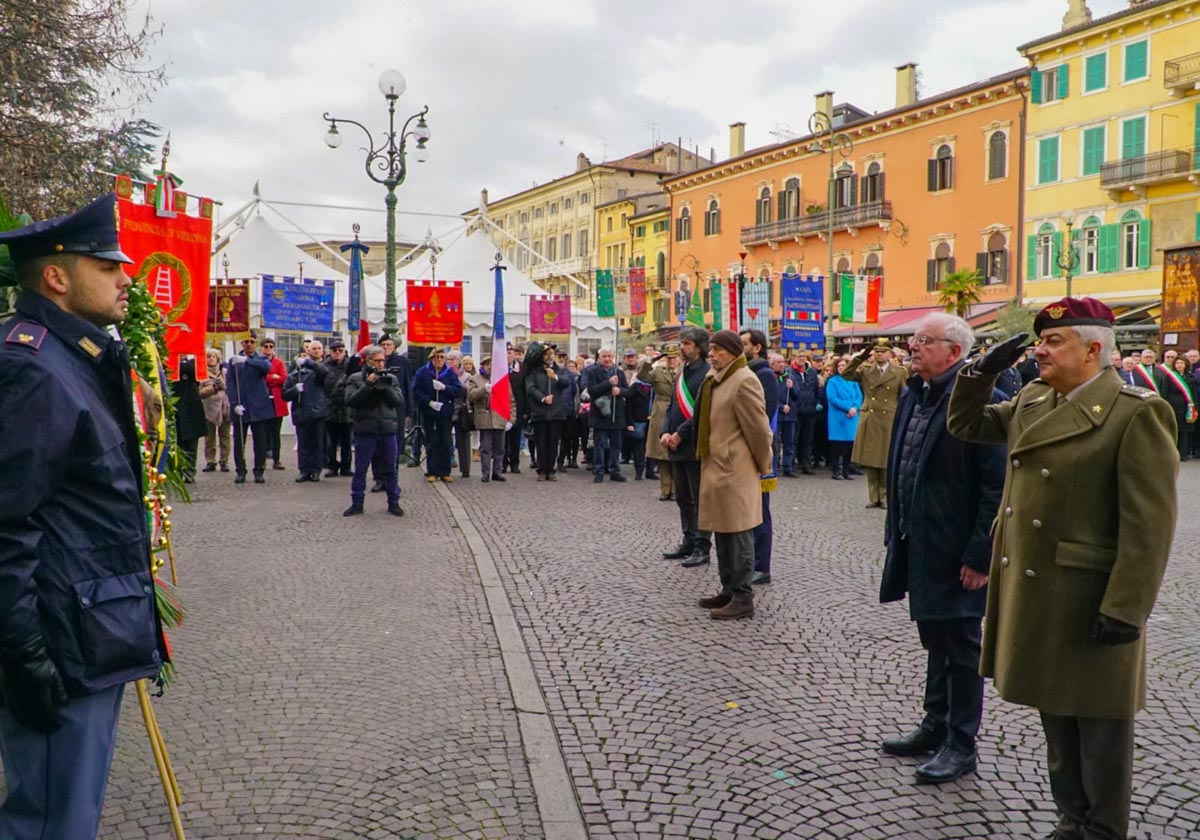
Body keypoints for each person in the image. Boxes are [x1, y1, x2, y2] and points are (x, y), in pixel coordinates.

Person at [948, 297, 1177, 840]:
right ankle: (1071, 820)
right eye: (1040, 341)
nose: (1041, 351)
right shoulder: (1033, 399)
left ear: (1093, 349)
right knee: (1055, 712)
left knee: (1099, 728)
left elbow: (1148, 526)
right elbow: (966, 423)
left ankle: (1103, 828)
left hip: (1090, 596)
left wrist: (1126, 608)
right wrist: (980, 373)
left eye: (1054, 341)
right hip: (1038, 590)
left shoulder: (1134, 412)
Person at [0, 193, 165, 838]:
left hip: (86, 627)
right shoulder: (33, 368)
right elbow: (7, 525)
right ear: (57, 277)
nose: (126, 279)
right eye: (107, 265)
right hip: (60, 639)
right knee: (51, 824)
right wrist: (25, 653)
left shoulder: (72, 357)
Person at [878, 314, 1006, 785]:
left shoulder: (984, 402)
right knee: (935, 637)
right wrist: (896, 530)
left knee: (962, 647)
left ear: (954, 352)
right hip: (920, 540)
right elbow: (902, 465)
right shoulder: (915, 393)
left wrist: (980, 556)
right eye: (913, 339)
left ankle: (961, 743)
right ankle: (935, 723)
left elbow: (997, 488)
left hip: (958, 549)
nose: (912, 346)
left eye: (924, 341)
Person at [694, 331, 774, 620]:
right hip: (718, 466)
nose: (711, 354)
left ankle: (743, 596)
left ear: (732, 352)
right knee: (722, 530)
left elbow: (759, 430)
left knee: (738, 533)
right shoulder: (717, 378)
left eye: (717, 349)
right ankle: (728, 589)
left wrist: (763, 466)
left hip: (736, 468)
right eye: (711, 349)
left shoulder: (744, 380)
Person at [660, 328, 713, 567]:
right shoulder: (682, 372)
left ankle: (702, 547)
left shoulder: (706, 374)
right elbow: (671, 407)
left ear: (699, 348)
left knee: (699, 499)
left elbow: (702, 412)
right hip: (675, 445)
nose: (682, 348)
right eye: (682, 343)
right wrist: (664, 432)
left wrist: (680, 434)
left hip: (694, 445)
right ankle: (688, 541)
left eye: (687, 344)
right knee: (683, 497)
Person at [842, 338, 907, 508]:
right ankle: (873, 496)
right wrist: (863, 355)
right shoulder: (865, 369)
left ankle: (884, 496)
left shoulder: (899, 372)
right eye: (876, 351)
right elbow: (846, 374)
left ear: (890, 354)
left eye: (883, 351)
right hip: (870, 417)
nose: (879, 354)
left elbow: (904, 395)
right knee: (870, 458)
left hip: (888, 418)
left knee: (885, 459)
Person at [342, 344, 404, 516]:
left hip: (387, 429)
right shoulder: (355, 378)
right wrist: (368, 386)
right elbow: (351, 401)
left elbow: (398, 401)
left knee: (391, 469)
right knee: (361, 469)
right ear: (368, 361)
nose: (380, 364)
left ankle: (394, 502)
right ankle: (357, 503)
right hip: (365, 430)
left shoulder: (392, 378)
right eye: (377, 361)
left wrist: (385, 388)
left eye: (383, 361)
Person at [740, 330, 780, 586]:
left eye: (744, 343)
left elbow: (762, 415)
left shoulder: (764, 374)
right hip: (745, 451)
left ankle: (761, 566)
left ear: (756, 347)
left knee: (760, 510)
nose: (740, 347)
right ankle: (749, 561)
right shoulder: (746, 371)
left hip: (759, 450)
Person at [226, 332, 274, 484]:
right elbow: (230, 384)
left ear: (256, 343)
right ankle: (240, 471)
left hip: (259, 407)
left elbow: (266, 367)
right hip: (241, 406)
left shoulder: (261, 359)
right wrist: (235, 404)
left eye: (252, 342)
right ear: (242, 343)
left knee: (260, 442)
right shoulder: (234, 361)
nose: (249, 344)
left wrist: (247, 360)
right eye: (246, 341)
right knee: (239, 443)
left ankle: (259, 470)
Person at [412, 347, 463, 482]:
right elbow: (416, 391)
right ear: (431, 359)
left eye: (442, 357)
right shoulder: (422, 372)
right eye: (436, 357)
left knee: (445, 441)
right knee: (432, 442)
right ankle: (432, 471)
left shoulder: (450, 373)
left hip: (445, 413)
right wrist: (428, 402)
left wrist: (445, 388)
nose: (439, 360)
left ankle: (445, 471)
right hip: (429, 412)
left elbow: (458, 390)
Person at [282, 340, 330, 483]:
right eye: (313, 348)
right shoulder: (293, 374)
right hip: (301, 412)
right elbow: (284, 395)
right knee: (303, 444)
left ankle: (316, 470)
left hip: (317, 411)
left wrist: (308, 362)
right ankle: (304, 470)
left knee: (317, 444)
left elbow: (324, 372)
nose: (316, 351)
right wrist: (294, 390)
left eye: (319, 348)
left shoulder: (318, 370)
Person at [523, 342, 570, 481]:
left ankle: (551, 469)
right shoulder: (534, 371)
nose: (549, 356)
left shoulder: (560, 370)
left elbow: (566, 382)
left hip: (556, 413)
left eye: (551, 354)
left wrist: (554, 377)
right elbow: (530, 388)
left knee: (553, 443)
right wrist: (543, 398)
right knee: (541, 443)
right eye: (546, 354)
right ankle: (542, 470)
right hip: (540, 413)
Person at [584, 347, 630, 483]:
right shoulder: (593, 372)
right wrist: (608, 383)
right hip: (600, 414)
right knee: (600, 444)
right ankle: (599, 470)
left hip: (617, 414)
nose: (607, 359)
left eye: (609, 356)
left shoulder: (619, 372)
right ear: (599, 358)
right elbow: (592, 391)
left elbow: (628, 391)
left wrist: (620, 391)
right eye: (604, 356)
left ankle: (614, 470)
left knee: (616, 445)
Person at [640, 345, 679, 501]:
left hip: (678, 410)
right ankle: (665, 489)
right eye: (669, 358)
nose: (671, 361)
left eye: (674, 358)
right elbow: (642, 376)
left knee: (675, 451)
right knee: (661, 454)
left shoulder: (684, 372)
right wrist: (650, 360)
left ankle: (675, 489)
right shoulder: (658, 371)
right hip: (661, 411)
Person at [467, 355, 514, 483]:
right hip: (484, 417)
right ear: (483, 366)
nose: (490, 367)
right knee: (485, 448)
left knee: (500, 448)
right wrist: (484, 389)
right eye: (487, 365)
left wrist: (511, 419)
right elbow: (471, 396)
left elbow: (510, 400)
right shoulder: (475, 379)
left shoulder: (502, 379)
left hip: (500, 416)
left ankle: (497, 472)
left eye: (492, 365)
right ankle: (485, 473)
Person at [171, 355, 207, 483]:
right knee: (178, 443)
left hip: (192, 408)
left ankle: (190, 471)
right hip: (176, 407)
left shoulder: (193, 362)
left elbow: (195, 371)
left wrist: (180, 364)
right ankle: (179, 471)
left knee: (192, 445)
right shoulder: (170, 362)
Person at [825, 359, 862, 480]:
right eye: (839, 365)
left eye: (844, 365)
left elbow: (859, 396)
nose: (841, 367)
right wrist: (847, 407)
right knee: (838, 446)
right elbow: (832, 398)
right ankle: (836, 471)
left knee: (850, 446)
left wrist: (855, 407)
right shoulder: (833, 381)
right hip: (838, 417)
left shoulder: (853, 381)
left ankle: (846, 471)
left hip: (852, 416)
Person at [323, 340, 354, 477]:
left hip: (346, 408)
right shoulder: (324, 366)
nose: (337, 353)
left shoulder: (350, 366)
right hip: (330, 408)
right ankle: (332, 466)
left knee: (347, 440)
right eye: (334, 351)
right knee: (331, 441)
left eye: (340, 351)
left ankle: (346, 466)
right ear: (330, 352)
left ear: (344, 352)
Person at [200, 347, 231, 473]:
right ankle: (210, 461)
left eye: (213, 357)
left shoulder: (225, 372)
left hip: (224, 408)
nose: (211, 359)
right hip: (208, 408)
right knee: (209, 437)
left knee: (225, 436)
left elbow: (231, 388)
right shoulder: (202, 374)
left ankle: (224, 461)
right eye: (208, 357)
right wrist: (213, 388)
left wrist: (223, 385)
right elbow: (200, 392)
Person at [789, 354, 821, 475]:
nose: (801, 359)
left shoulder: (812, 372)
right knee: (794, 439)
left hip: (810, 410)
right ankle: (791, 464)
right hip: (797, 410)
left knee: (808, 439)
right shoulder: (790, 372)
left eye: (803, 356)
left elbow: (816, 390)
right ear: (794, 358)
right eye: (799, 356)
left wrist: (815, 403)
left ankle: (806, 464)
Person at [260, 337, 289, 471]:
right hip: (263, 401)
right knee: (263, 433)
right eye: (266, 346)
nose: (268, 349)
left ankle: (277, 460)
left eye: (271, 346)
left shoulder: (279, 362)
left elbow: (284, 378)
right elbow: (260, 379)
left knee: (276, 433)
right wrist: (272, 377)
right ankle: (262, 460)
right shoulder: (259, 362)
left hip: (277, 401)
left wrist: (270, 379)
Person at [1162, 355, 1196, 461]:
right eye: (1177, 363)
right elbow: (1165, 392)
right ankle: (1173, 454)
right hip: (1174, 406)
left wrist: (1195, 407)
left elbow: (1194, 393)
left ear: (1186, 364)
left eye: (1181, 363)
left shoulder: (1190, 377)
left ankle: (1183, 454)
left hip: (1187, 407)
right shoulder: (1169, 376)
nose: (1179, 365)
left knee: (1185, 431)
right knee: (1175, 430)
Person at [503, 343, 527, 474]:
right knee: (503, 438)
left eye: (510, 353)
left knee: (515, 437)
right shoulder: (499, 368)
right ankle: (503, 463)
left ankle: (514, 463)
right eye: (506, 353)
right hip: (502, 406)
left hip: (518, 406)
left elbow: (525, 390)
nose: (508, 355)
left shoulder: (522, 368)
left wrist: (526, 411)